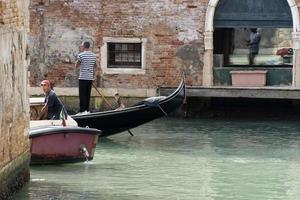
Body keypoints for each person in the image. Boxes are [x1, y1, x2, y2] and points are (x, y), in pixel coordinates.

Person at [75, 41, 97, 114]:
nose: (81, 47)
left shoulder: (81, 55)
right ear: (89, 46)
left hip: (83, 78)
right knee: (88, 94)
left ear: (84, 46)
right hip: (90, 78)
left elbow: (76, 66)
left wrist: (77, 62)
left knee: (82, 95)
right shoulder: (94, 56)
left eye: (82, 46)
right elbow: (96, 66)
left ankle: (82, 111)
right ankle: (87, 110)